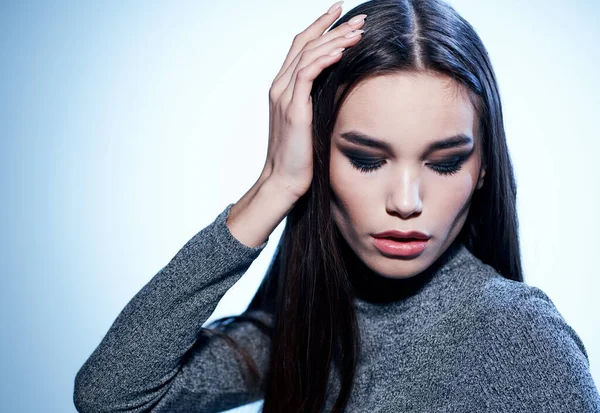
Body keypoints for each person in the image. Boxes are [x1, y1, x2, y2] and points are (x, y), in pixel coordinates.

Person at [73, 0, 600, 412]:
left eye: (444, 164)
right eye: (367, 160)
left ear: (484, 167)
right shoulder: (303, 328)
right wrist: (275, 186)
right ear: (318, 157)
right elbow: (112, 397)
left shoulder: (520, 339)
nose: (406, 202)